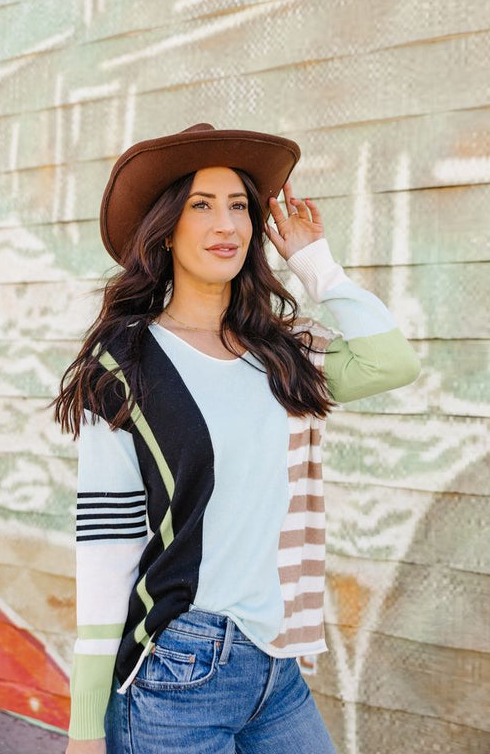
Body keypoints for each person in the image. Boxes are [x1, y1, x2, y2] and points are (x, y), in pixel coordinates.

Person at [53, 123, 421, 753]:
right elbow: (107, 548)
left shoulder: (282, 356)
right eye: (201, 205)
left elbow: (393, 362)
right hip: (178, 667)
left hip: (273, 664)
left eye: (239, 206)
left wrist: (317, 265)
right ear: (165, 229)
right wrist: (85, 728)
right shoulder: (125, 366)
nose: (226, 224)